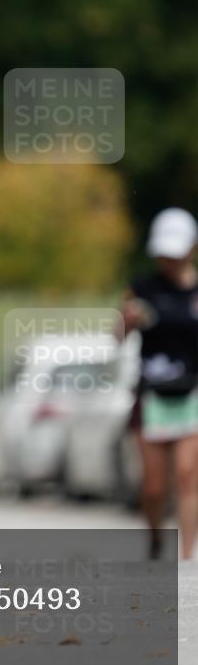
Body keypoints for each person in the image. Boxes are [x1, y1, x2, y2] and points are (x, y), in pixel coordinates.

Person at [122, 208, 198, 560]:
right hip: (152, 393)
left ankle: (186, 557)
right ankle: (155, 538)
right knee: (153, 487)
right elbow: (118, 336)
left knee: (186, 475)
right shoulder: (142, 286)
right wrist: (127, 321)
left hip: (192, 391)